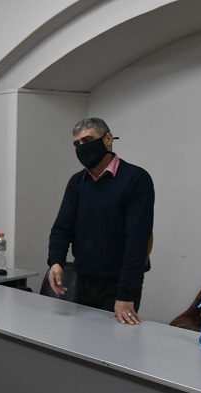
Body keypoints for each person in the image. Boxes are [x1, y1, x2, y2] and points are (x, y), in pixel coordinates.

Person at [47, 117, 155, 325]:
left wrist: (126, 294)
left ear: (108, 139)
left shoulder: (136, 179)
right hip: (83, 279)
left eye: (88, 140)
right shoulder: (77, 182)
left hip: (119, 284)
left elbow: (137, 241)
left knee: (113, 341)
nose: (82, 147)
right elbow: (62, 227)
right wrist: (56, 261)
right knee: (81, 339)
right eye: (77, 144)